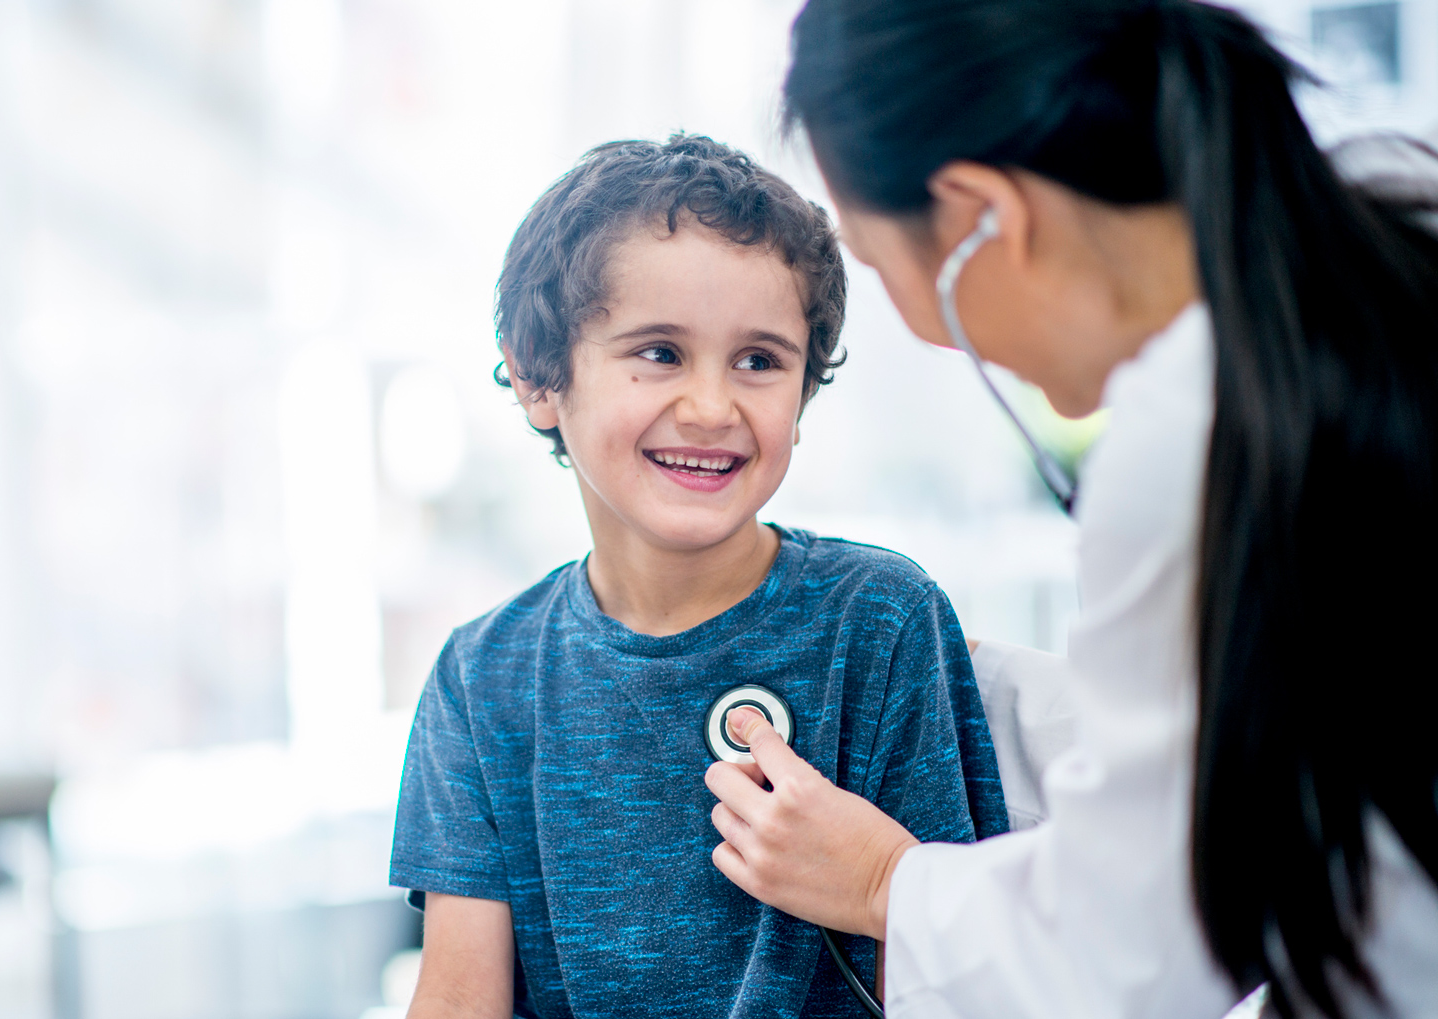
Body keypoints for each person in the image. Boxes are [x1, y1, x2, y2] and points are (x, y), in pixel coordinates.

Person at [703, 2, 1438, 1017]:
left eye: (878, 264)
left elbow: (1138, 950)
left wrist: (884, 883)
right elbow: (1264, 727)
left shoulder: (1198, 423)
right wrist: (946, 675)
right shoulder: (1386, 213)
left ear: (981, 218)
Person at [389, 133, 1009, 1019]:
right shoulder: (480, 677)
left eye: (759, 361)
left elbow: (960, 973)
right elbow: (457, 999)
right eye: (660, 352)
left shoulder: (880, 621)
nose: (713, 407)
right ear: (537, 375)